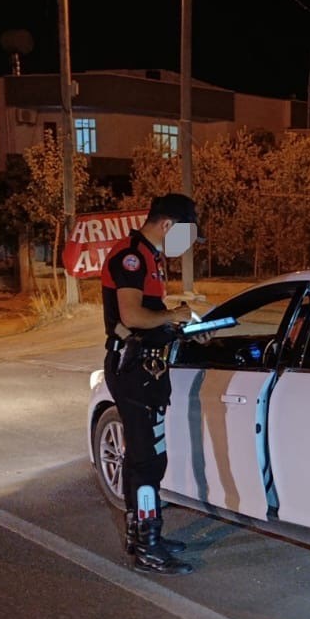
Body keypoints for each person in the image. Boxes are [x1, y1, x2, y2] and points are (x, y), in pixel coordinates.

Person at [101, 193, 202, 575]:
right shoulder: (131, 256)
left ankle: (142, 533)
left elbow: (152, 316)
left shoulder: (150, 257)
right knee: (147, 461)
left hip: (147, 370)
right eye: (187, 235)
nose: (188, 244)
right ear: (168, 226)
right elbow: (132, 315)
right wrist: (172, 314)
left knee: (143, 456)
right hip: (134, 370)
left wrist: (181, 327)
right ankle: (148, 546)